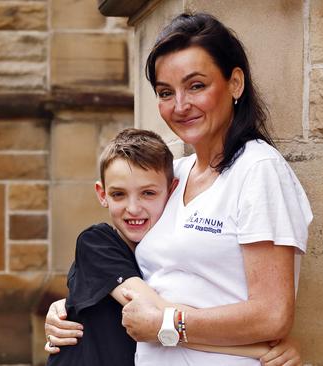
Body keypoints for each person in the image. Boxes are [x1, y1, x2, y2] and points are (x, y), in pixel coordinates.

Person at [46, 12, 312, 366]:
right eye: (166, 92)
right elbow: (130, 271)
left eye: (196, 86)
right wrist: (69, 306)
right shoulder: (176, 174)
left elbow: (272, 315)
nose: (180, 106)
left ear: (235, 83)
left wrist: (168, 324)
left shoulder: (257, 169)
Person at [46, 128, 302, 366]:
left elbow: (161, 323)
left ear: (172, 192)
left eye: (148, 193)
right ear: (102, 194)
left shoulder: (147, 262)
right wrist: (257, 348)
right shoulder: (96, 242)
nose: (133, 208)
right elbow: (159, 317)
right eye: (118, 195)